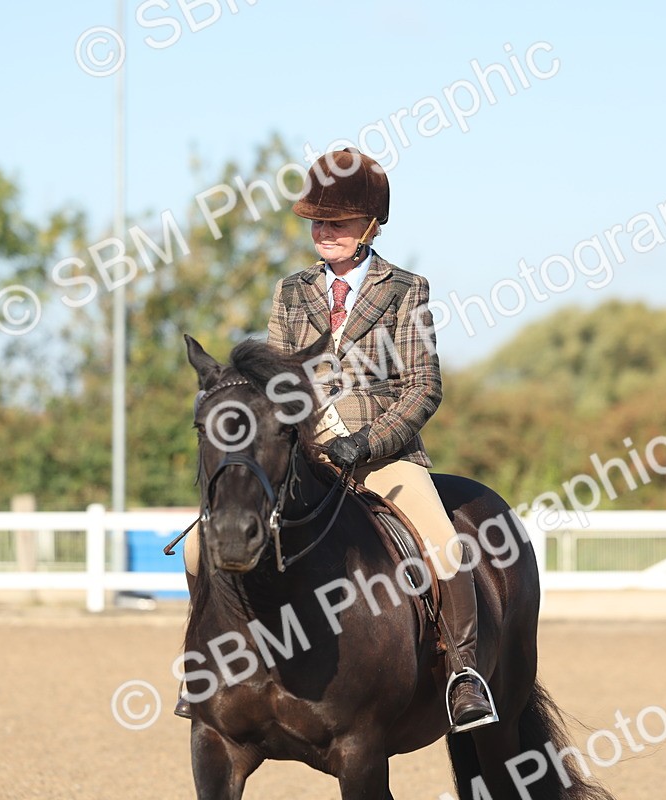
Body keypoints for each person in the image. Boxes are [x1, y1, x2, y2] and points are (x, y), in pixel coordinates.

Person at [179, 148, 497, 732]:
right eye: (317, 223)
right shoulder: (291, 291)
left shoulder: (406, 289)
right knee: (202, 544)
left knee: (442, 540)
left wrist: (370, 443)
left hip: (383, 456)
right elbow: (271, 379)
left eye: (337, 223)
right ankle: (205, 662)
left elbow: (423, 388)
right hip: (304, 454)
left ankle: (463, 674)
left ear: (370, 226)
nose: (323, 233)